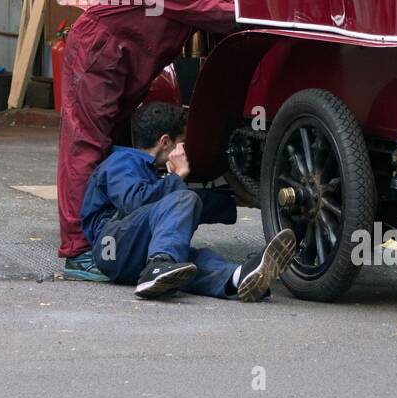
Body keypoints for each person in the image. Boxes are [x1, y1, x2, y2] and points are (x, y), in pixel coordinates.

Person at [57, 0, 255, 281]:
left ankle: (110, 234)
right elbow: (207, 12)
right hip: (100, 56)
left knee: (114, 148)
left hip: (125, 64)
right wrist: (265, 14)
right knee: (86, 147)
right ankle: (78, 251)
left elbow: (226, 1)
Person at [81, 102, 297, 300]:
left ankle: (238, 279)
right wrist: (178, 176)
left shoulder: (149, 171)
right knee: (184, 201)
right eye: (181, 143)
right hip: (112, 247)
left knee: (190, 262)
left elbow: (173, 207)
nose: (185, 150)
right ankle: (158, 267)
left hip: (136, 252)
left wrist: (239, 200)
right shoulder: (121, 161)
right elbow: (135, 202)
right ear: (165, 142)